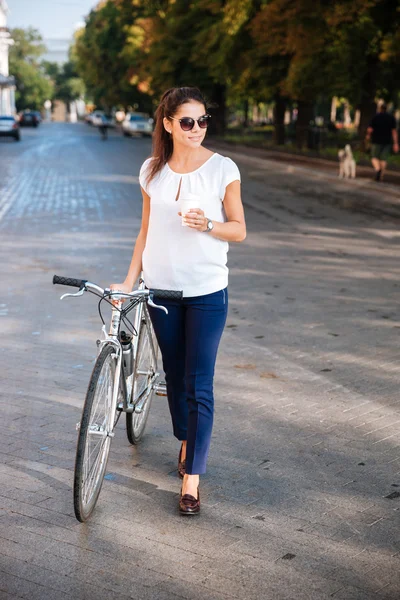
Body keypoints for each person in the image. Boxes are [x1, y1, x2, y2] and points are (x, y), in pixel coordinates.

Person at [110, 87, 246, 515]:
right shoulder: (152, 170)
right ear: (168, 123)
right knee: (176, 377)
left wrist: (209, 224)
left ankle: (192, 478)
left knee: (200, 383)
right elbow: (145, 230)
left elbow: (239, 229)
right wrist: (128, 282)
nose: (196, 129)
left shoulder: (222, 168)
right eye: (187, 122)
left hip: (206, 291)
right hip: (161, 292)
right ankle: (186, 439)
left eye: (203, 120)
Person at [366, 104, 399, 181]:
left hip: (376, 141)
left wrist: (367, 137)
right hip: (387, 141)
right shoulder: (391, 118)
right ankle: (381, 176)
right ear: (386, 109)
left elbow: (370, 129)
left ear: (379, 109)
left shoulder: (375, 117)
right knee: (383, 159)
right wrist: (396, 143)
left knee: (374, 157)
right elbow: (394, 132)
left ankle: (378, 170)